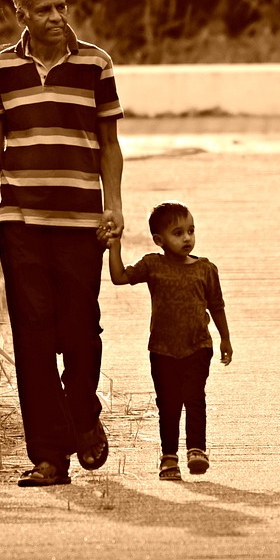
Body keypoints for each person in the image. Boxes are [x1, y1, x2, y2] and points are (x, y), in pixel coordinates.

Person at [0, 0, 124, 487]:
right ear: (22, 14)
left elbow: (109, 144)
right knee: (32, 335)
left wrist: (114, 206)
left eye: (61, 6)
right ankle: (49, 456)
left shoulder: (95, 65)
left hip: (81, 221)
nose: (57, 16)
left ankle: (81, 411)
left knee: (80, 329)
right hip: (21, 220)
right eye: (45, 8)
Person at [105, 201, 232, 481]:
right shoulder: (153, 265)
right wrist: (114, 246)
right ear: (159, 240)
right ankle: (169, 458)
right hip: (162, 350)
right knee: (169, 404)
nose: (187, 238)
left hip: (199, 346)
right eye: (178, 233)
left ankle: (197, 450)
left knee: (195, 398)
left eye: (191, 231)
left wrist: (225, 338)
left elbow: (217, 306)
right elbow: (119, 277)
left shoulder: (206, 269)